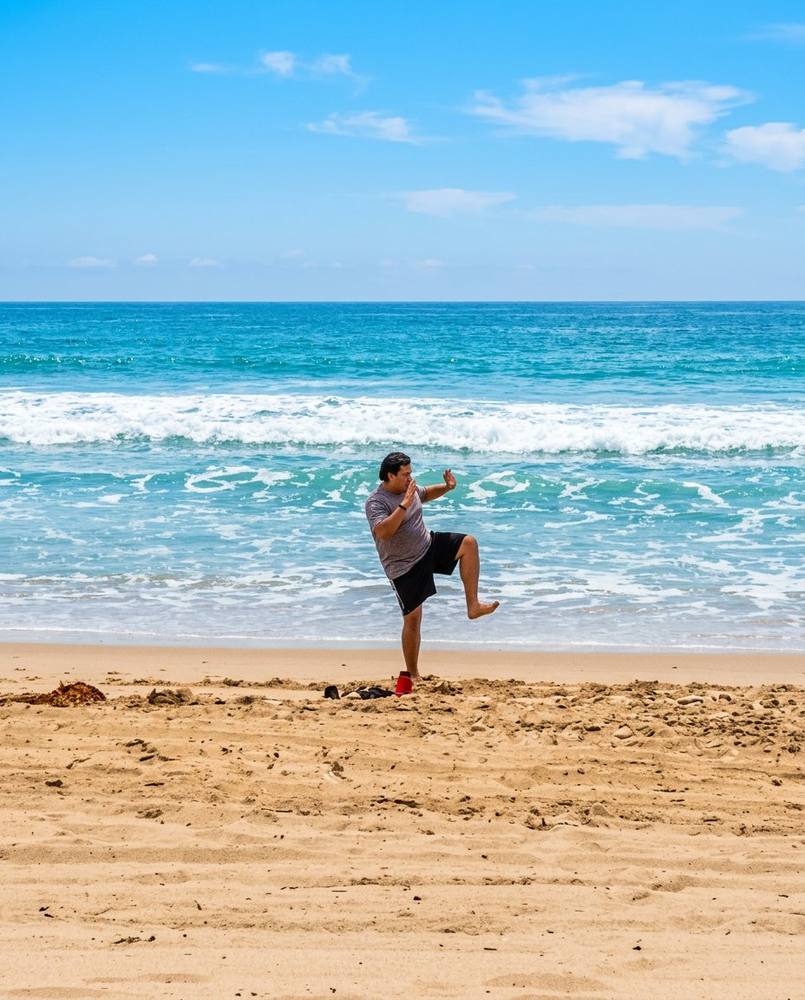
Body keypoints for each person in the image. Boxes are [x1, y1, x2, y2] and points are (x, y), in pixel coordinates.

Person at [364, 451, 499, 684]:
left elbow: (424, 493)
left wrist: (447, 487)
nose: (410, 478)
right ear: (390, 475)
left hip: (427, 546)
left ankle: (473, 605)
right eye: (405, 474)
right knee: (413, 619)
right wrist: (404, 505)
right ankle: (413, 674)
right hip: (403, 566)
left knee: (469, 543)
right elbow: (383, 532)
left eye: (410, 473)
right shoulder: (376, 502)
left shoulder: (410, 489)